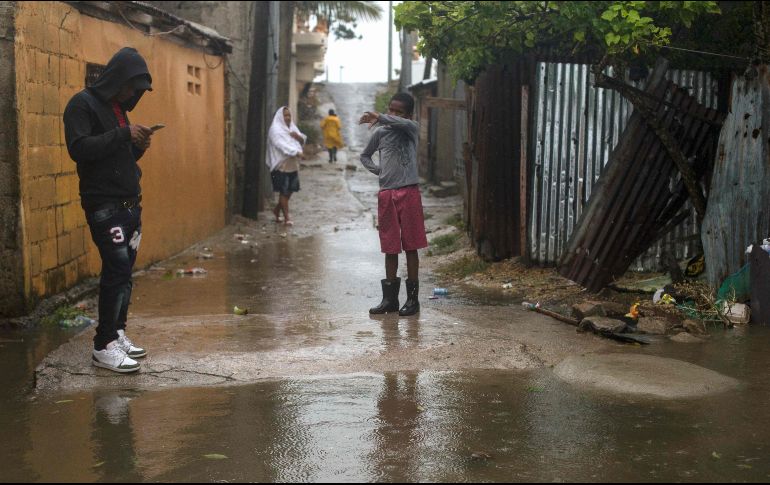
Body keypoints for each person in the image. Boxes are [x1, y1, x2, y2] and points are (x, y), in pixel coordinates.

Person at [63, 47, 154, 373]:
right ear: (117, 78)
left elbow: (119, 158)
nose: (133, 94)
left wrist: (137, 147)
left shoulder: (117, 109)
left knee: (125, 274)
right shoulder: (81, 105)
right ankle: (103, 346)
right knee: (116, 271)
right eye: (131, 86)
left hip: (130, 204)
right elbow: (79, 149)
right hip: (104, 206)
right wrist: (122, 134)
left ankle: (116, 333)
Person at [359, 92, 427, 317]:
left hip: (409, 192)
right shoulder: (380, 133)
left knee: (411, 245)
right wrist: (380, 171)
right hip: (387, 193)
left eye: (399, 111)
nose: (393, 114)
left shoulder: (410, 129)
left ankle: (413, 300)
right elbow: (365, 156)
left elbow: (402, 123)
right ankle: (390, 300)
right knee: (390, 246)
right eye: (391, 110)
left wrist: (381, 116)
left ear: (408, 114)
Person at [267, 106, 306, 225]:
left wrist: (298, 137)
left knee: (291, 190)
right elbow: (281, 145)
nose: (288, 118)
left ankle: (277, 210)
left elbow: (302, 139)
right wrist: (297, 152)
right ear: (280, 117)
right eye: (285, 115)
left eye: (289, 115)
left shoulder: (292, 127)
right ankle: (287, 218)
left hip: (292, 164)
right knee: (284, 192)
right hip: (281, 165)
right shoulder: (275, 130)